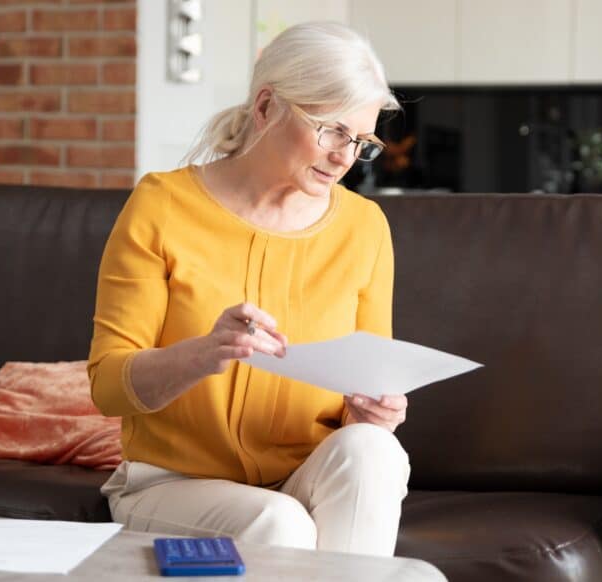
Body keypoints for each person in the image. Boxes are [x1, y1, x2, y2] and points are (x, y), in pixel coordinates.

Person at [88, 21, 410, 557]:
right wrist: (201, 355)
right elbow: (107, 388)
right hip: (170, 485)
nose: (344, 157)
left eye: (361, 141)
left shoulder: (365, 226)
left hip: (304, 472)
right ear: (265, 108)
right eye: (332, 130)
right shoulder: (161, 206)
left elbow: (365, 377)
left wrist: (374, 412)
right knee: (278, 523)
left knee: (375, 451)